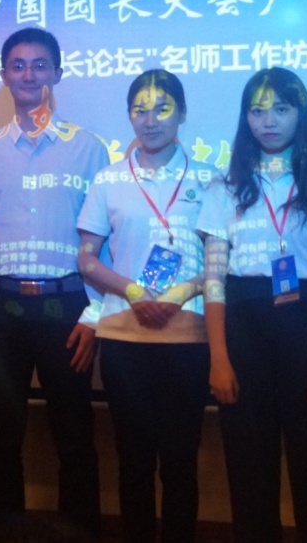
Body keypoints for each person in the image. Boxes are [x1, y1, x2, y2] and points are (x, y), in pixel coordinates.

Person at [197, 67, 307, 543]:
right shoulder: (225, 189)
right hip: (243, 332)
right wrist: (219, 358)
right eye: (257, 110)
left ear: (300, 113)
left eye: (281, 109)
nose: (268, 121)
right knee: (249, 477)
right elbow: (214, 281)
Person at [0, 27, 107, 539]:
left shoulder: (88, 149)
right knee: (1, 437)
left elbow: (103, 241)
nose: (29, 74)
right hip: (1, 308)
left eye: (40, 64)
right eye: (18, 65)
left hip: (66, 307)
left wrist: (95, 313)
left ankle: (81, 534)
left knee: (75, 436)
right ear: (4, 75)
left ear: (57, 74)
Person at [75, 70, 214, 543]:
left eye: (162, 108)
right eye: (140, 109)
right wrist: (134, 292)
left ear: (182, 113)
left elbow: (223, 261)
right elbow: (86, 259)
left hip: (188, 338)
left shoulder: (209, 179)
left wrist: (181, 292)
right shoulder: (109, 179)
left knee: (180, 460)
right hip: (124, 337)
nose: (150, 120)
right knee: (133, 459)